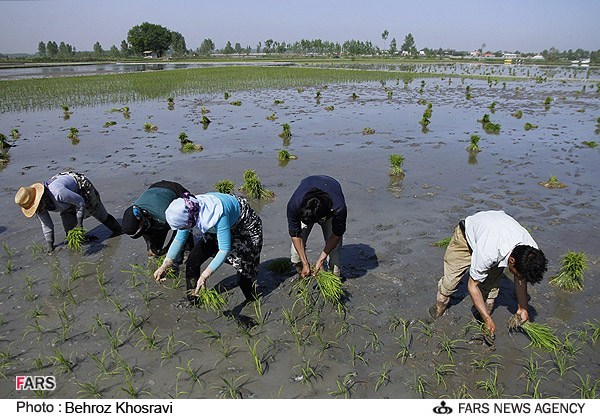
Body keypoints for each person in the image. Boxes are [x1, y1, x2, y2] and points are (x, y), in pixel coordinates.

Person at [430, 210, 548, 337]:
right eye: (518, 273)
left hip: (495, 238)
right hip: (466, 238)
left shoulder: (531, 253)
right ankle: (438, 314)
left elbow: (521, 278)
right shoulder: (489, 253)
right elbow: (472, 285)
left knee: (491, 291)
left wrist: (523, 308)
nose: (519, 276)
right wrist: (488, 319)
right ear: (512, 261)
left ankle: (480, 322)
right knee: (449, 285)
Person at [153, 192, 263, 302]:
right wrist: (165, 265)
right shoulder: (190, 210)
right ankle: (193, 298)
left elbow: (224, 250)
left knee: (243, 275)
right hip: (218, 227)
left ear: (190, 220)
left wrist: (205, 275)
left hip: (245, 227)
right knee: (192, 261)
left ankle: (253, 302)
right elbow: (179, 239)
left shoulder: (215, 214)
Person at [14, 171, 122, 252]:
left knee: (99, 214)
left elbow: (80, 202)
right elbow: (46, 225)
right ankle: (80, 245)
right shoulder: (40, 207)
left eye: (37, 207)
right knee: (70, 233)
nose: (38, 210)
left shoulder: (58, 193)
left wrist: (79, 224)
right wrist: (50, 246)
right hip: (66, 201)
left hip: (80, 187)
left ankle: (120, 231)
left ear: (40, 199)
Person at [287, 175, 347, 278]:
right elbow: (295, 234)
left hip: (329, 197)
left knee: (335, 253)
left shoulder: (338, 207)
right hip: (307, 202)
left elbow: (337, 234)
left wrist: (321, 259)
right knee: (295, 253)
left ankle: (334, 278)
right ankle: (302, 273)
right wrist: (305, 262)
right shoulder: (294, 205)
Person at [122, 180, 193, 257]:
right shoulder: (137, 214)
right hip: (154, 190)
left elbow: (182, 230)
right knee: (155, 248)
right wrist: (150, 245)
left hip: (175, 190)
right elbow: (144, 231)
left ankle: (188, 250)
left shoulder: (164, 217)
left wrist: (169, 248)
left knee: (184, 243)